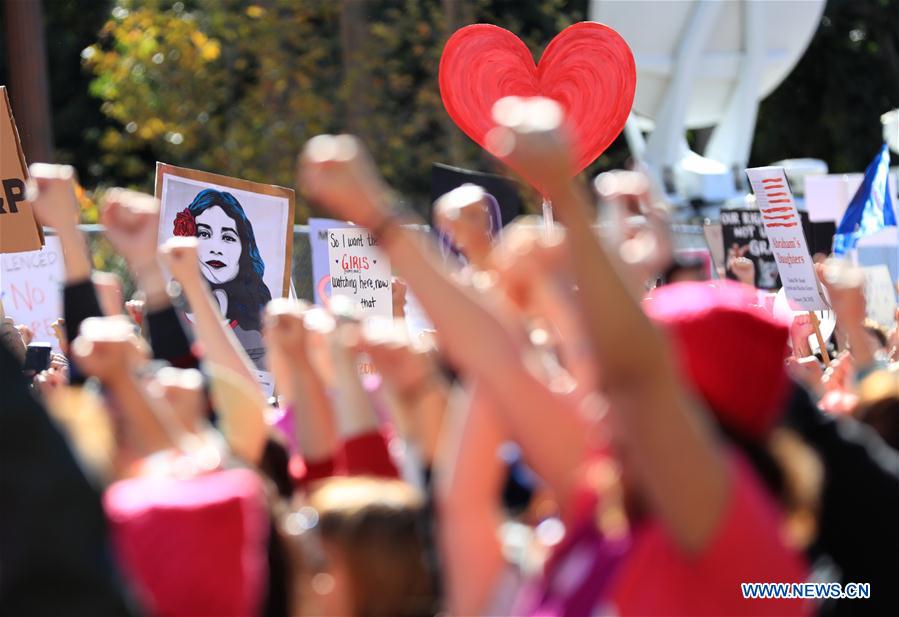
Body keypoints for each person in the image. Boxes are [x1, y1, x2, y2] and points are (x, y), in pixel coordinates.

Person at [173, 188, 272, 369]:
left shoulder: (257, 331)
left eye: (227, 237)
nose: (215, 248)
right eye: (204, 233)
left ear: (244, 248)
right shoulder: (169, 315)